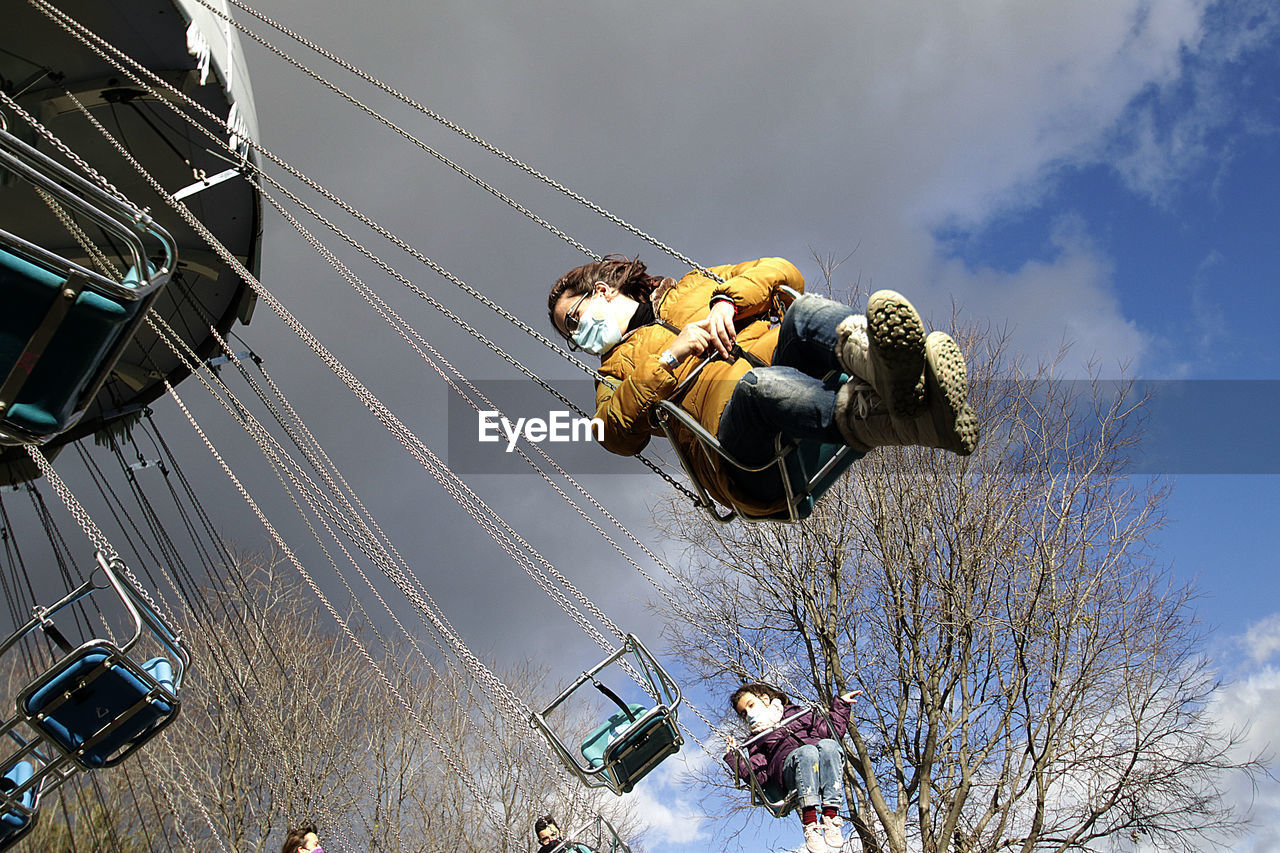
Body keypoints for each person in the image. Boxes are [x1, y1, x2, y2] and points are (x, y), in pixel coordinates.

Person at [547, 256, 978, 519]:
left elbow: (779, 270)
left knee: (804, 313)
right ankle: (902, 400)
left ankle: (893, 380)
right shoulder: (612, 374)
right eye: (569, 336)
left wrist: (726, 302)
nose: (576, 336)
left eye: (572, 321)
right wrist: (668, 359)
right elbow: (611, 433)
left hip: (801, 378)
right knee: (760, 387)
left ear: (601, 291)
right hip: (744, 456)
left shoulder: (692, 286)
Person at [725, 683, 861, 853]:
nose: (749, 714)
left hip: (821, 763)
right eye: (744, 713)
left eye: (751, 705)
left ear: (765, 699)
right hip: (790, 771)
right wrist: (734, 758)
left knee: (829, 745)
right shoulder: (756, 739)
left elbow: (829, 731)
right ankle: (810, 821)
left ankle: (831, 816)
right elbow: (758, 776)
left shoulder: (797, 713)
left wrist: (841, 705)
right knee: (807, 752)